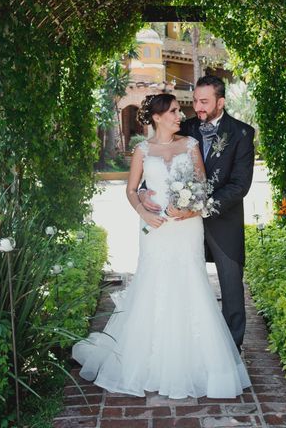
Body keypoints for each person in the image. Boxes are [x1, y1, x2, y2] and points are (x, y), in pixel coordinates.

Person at [72, 93, 250, 399]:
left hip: (186, 228)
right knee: (153, 285)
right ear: (157, 117)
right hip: (154, 229)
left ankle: (196, 362)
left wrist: (191, 208)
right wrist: (143, 211)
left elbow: (202, 185)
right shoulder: (142, 150)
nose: (180, 115)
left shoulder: (190, 145)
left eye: (180, 110)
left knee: (190, 285)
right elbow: (131, 190)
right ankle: (148, 361)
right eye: (173, 111)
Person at [140, 76, 256, 353]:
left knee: (231, 286)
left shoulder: (242, 133)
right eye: (194, 101)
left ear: (221, 102)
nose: (197, 107)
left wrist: (199, 208)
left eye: (204, 102)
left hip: (222, 221)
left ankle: (231, 347)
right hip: (180, 226)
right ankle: (183, 342)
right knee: (182, 279)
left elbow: (240, 186)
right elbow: (160, 160)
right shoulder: (186, 126)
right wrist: (144, 190)